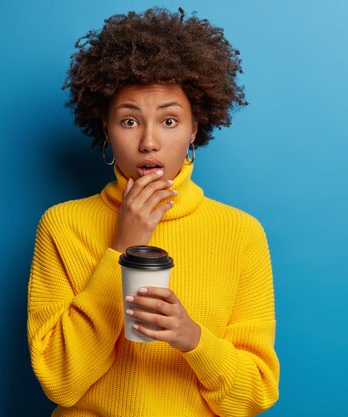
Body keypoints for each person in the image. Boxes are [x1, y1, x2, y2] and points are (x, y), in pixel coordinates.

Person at [27, 7, 279, 417]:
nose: (149, 142)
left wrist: (194, 340)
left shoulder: (241, 233)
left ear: (194, 128)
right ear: (106, 128)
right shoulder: (63, 225)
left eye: (169, 120)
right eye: (129, 121)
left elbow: (254, 395)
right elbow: (60, 380)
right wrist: (124, 246)